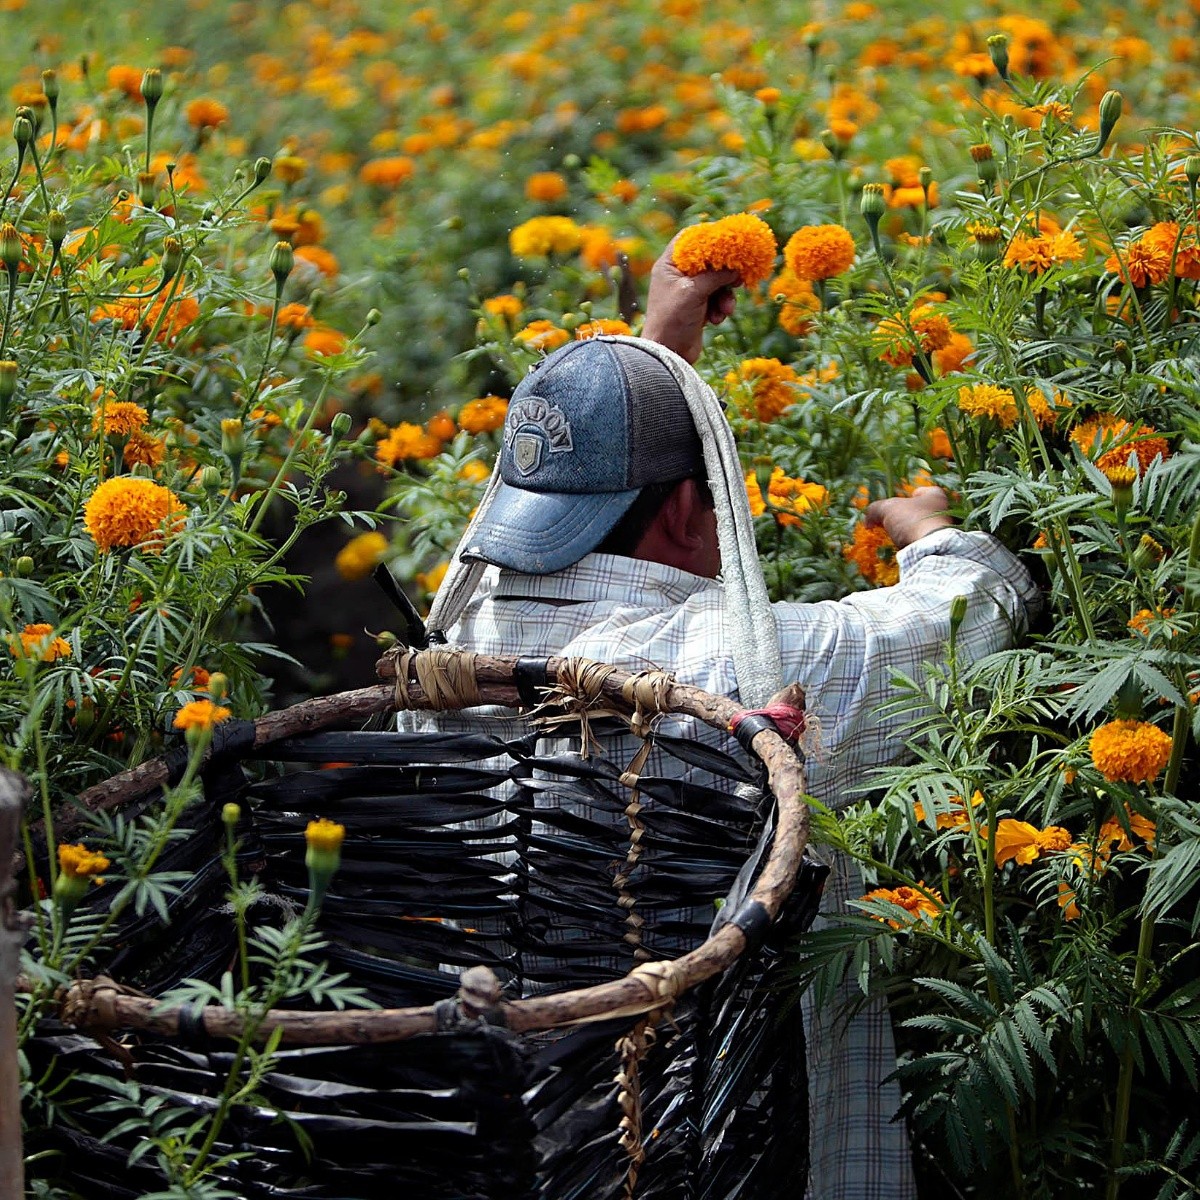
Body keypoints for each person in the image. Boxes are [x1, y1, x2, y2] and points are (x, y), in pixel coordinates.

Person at [412, 241, 1042, 1198]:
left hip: (524, 1125)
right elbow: (976, 607)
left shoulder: (458, 644)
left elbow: (518, 516)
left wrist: (652, 362)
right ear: (677, 513)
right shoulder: (741, 669)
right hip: (735, 1140)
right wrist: (928, 527)